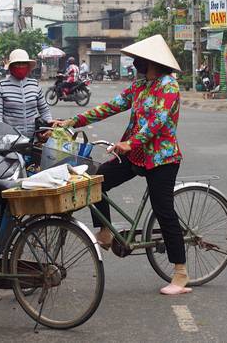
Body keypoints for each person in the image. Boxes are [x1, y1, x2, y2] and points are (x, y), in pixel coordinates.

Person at [55, 34, 189, 295]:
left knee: (164, 211)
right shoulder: (140, 86)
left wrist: (131, 142)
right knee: (96, 180)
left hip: (162, 159)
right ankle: (105, 230)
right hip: (136, 156)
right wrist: (72, 122)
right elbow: (109, 107)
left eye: (140, 60)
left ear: (151, 62)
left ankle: (181, 273)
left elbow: (158, 121)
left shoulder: (168, 86)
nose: (136, 63)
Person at [0, 49, 53, 139]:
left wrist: (49, 125)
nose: (21, 66)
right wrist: (1, 133)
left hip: (33, 138)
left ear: (28, 66)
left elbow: (44, 110)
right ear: (11, 66)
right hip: (10, 139)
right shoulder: (1, 86)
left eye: (23, 63)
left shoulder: (34, 84)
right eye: (18, 63)